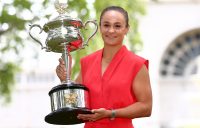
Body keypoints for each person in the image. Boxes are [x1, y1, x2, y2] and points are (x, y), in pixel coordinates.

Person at [56, 6, 152, 128]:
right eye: (106, 25)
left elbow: (146, 107)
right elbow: (76, 101)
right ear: (100, 27)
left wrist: (111, 113)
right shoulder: (87, 62)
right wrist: (65, 80)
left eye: (117, 26)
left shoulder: (137, 64)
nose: (111, 30)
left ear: (126, 29)